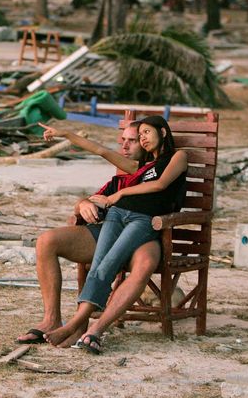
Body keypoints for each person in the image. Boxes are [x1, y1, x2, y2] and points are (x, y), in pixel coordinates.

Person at [45, 116, 187, 353]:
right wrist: (66, 134)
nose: (142, 138)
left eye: (146, 132)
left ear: (162, 132)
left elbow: (161, 185)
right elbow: (101, 150)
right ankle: (80, 325)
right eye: (139, 134)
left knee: (110, 263)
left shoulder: (178, 157)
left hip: (143, 220)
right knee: (99, 263)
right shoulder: (139, 167)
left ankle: (75, 323)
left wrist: (119, 195)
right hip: (117, 215)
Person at [16, 121, 162, 347]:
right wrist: (82, 204)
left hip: (146, 236)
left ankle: (95, 328)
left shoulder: (158, 173)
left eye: (131, 140)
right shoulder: (120, 180)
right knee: (47, 241)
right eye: (122, 140)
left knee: (144, 264)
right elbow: (94, 197)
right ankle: (51, 320)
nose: (125, 146)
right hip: (109, 231)